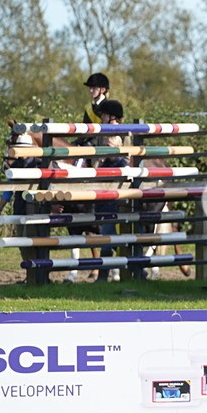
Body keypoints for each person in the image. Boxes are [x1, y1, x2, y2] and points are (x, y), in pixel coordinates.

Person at [92, 99, 129, 281]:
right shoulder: (100, 133)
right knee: (106, 232)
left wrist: (113, 151)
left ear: (112, 117)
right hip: (104, 187)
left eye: (105, 115)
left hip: (121, 187)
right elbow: (96, 161)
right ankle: (107, 272)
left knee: (110, 233)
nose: (102, 117)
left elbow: (128, 159)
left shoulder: (124, 133)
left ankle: (106, 273)